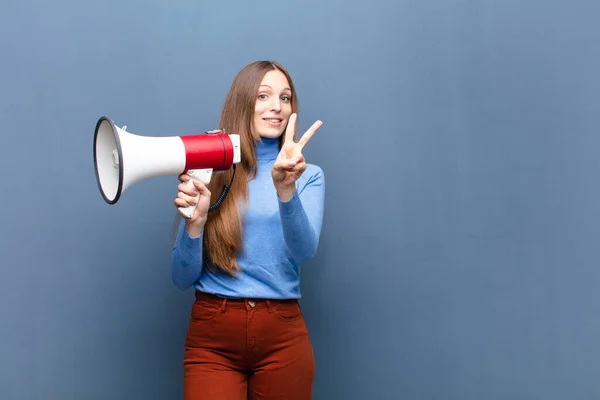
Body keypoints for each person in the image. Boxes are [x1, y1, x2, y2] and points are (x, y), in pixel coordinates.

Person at [170, 60, 325, 400]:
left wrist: (286, 191)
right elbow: (181, 278)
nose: (276, 107)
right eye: (263, 96)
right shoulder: (210, 168)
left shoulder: (308, 175)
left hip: (282, 337)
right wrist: (193, 226)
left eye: (285, 98)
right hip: (213, 338)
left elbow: (304, 251)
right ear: (243, 103)